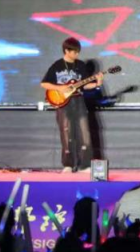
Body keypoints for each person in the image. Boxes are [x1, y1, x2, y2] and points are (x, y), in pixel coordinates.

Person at [40, 37, 102, 173]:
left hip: (79, 102)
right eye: (74, 52)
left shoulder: (80, 65)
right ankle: (68, 164)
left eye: (78, 52)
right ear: (66, 51)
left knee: (85, 133)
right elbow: (44, 83)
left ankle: (84, 165)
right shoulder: (57, 65)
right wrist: (60, 88)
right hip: (63, 103)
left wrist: (97, 83)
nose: (77, 54)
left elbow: (85, 85)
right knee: (66, 133)